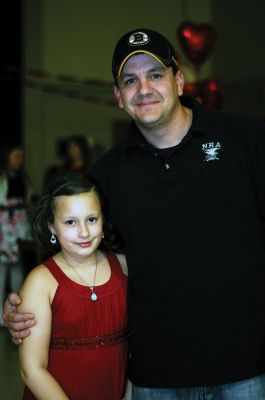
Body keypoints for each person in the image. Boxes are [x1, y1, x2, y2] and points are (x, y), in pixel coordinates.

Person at [3, 28, 265, 399]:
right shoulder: (106, 176)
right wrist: (28, 303)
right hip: (155, 378)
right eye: (130, 80)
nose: (143, 88)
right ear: (118, 96)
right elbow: (82, 259)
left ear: (178, 80)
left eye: (155, 74)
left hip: (247, 369)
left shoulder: (246, 140)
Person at [17, 173, 129, 400]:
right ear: (52, 227)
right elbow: (32, 370)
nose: (84, 232)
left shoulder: (123, 266)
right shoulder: (41, 281)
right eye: (70, 222)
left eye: (92, 219)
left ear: (103, 220)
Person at [0, 143, 32, 326]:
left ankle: (17, 313)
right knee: (1, 273)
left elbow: (28, 203)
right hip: (3, 233)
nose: (20, 161)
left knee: (18, 273)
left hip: (20, 231)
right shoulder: (2, 180)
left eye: (21, 157)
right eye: (16, 157)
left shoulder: (23, 180)